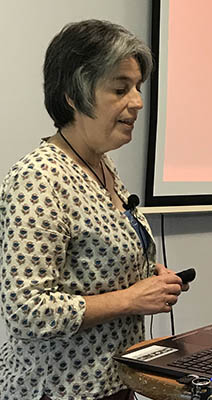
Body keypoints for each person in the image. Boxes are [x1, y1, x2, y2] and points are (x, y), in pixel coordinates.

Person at [0, 19, 188, 400]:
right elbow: (26, 310)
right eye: (120, 89)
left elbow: (90, 268)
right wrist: (132, 299)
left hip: (114, 384)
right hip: (56, 391)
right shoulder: (38, 179)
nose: (137, 102)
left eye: (137, 88)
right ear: (74, 94)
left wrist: (152, 279)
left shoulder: (101, 166)